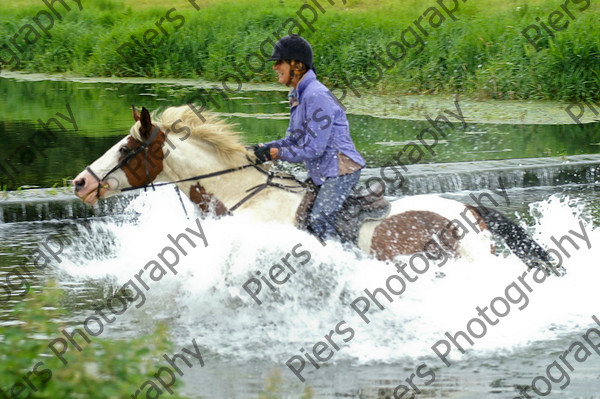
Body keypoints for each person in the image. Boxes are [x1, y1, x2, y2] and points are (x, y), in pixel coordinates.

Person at [253, 34, 365, 242]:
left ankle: (344, 267)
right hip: (323, 173)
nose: (274, 67)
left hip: (340, 172)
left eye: (279, 62)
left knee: (319, 220)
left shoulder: (316, 95)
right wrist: (265, 148)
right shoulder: (297, 95)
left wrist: (277, 153)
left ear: (297, 65)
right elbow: (294, 140)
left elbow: (314, 149)